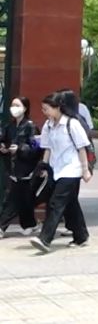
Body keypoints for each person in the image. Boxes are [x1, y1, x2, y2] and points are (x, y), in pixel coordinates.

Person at [30, 93, 91, 253]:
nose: (45, 112)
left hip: (72, 169)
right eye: (43, 109)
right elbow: (48, 148)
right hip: (56, 169)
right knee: (70, 204)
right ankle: (81, 236)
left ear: (58, 108)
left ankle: (45, 239)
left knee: (56, 203)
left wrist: (85, 170)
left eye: (47, 109)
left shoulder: (72, 124)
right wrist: (44, 166)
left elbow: (82, 148)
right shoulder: (48, 125)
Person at [0, 97, 41, 237]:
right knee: (24, 198)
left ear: (24, 108)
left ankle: (1, 226)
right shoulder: (9, 127)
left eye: (17, 105)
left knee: (12, 199)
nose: (14, 108)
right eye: (12, 105)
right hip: (12, 168)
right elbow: (2, 139)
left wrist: (20, 149)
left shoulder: (31, 127)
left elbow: (36, 148)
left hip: (25, 169)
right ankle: (30, 224)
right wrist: (3, 148)